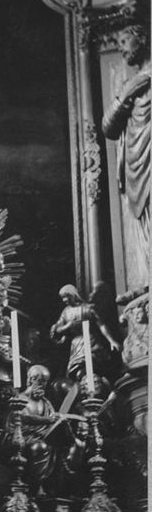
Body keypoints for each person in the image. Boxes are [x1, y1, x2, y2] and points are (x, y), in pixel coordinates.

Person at [102, 20, 150, 288]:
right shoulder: (130, 83)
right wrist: (127, 95)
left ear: (141, 38)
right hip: (138, 167)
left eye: (124, 41)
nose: (121, 49)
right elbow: (108, 127)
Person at [50, 284, 120, 381]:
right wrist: (68, 326)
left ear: (73, 295)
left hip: (90, 341)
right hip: (76, 344)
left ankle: (93, 383)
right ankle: (85, 384)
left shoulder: (88, 308)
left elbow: (101, 325)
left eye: (66, 297)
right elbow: (57, 329)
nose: (64, 300)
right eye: (63, 298)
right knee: (77, 368)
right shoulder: (66, 312)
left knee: (92, 365)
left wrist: (111, 341)